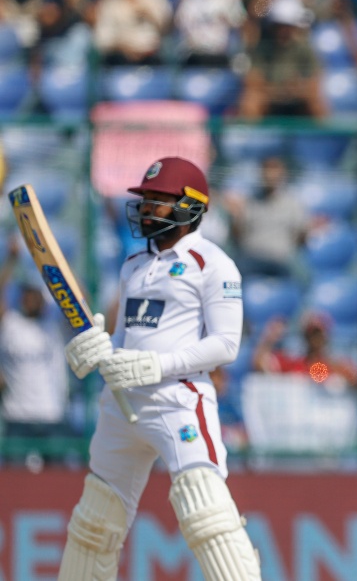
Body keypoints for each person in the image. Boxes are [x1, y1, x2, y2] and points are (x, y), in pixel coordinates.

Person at [58, 157, 259, 578]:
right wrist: (96, 351)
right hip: (120, 404)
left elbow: (226, 345)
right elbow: (122, 343)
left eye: (158, 201)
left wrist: (157, 365)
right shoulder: (134, 265)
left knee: (206, 514)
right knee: (94, 525)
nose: (147, 208)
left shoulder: (213, 264)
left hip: (177, 400)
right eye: (145, 200)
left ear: (190, 207)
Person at [0, 237, 70, 449]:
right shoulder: (10, 324)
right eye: (25, 293)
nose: (28, 299)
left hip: (52, 416)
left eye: (34, 294)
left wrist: (57, 259)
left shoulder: (55, 326)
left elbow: (80, 300)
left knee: (56, 480)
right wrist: (11, 260)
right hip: (17, 416)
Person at [238, 0, 327, 119]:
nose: (284, 31)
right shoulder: (261, 48)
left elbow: (315, 82)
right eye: (279, 26)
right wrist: (277, 92)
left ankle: (324, 138)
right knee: (251, 101)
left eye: (288, 26)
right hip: (269, 98)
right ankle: (249, 138)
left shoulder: (305, 49)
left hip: (298, 99)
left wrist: (297, 90)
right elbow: (252, 81)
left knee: (316, 103)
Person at [225, 156, 315, 278]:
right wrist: (235, 218)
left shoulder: (293, 203)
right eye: (267, 170)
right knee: (232, 272)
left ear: (283, 174)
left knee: (303, 275)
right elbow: (237, 237)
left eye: (274, 170)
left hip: (281, 259)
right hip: (252, 257)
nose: (270, 175)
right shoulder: (249, 202)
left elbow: (302, 236)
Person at [251, 313, 357, 390]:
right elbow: (260, 365)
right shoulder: (295, 364)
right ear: (305, 336)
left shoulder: (335, 366)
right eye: (312, 335)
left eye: (319, 335)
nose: (315, 340)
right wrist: (268, 340)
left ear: (326, 337)